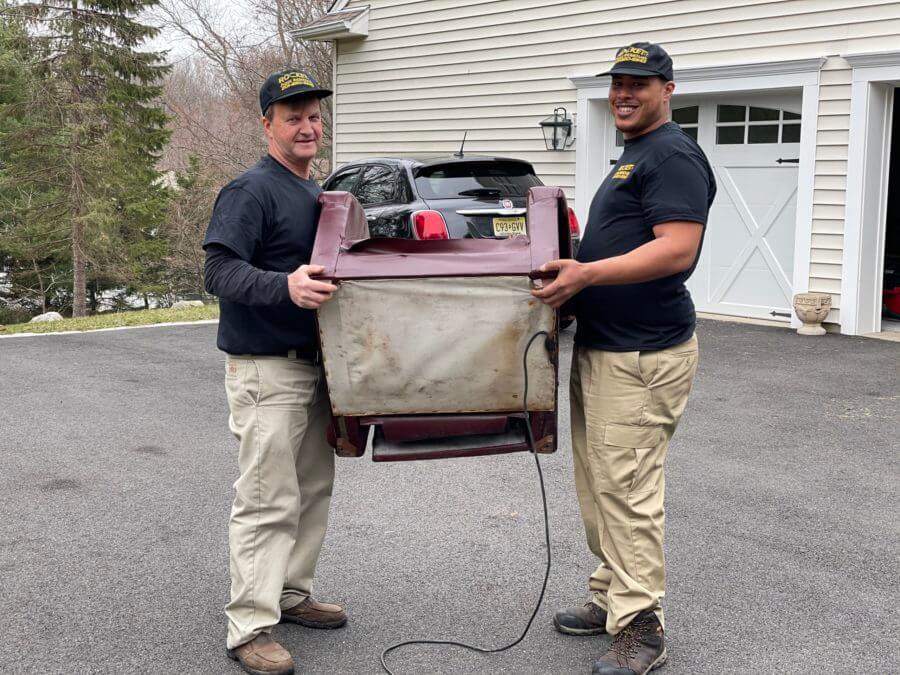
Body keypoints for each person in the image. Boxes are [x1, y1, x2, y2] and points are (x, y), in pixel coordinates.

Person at [532, 43, 716, 675]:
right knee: (599, 486)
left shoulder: (672, 155)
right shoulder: (635, 155)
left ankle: (643, 629)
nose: (623, 95)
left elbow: (676, 251)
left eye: (638, 84)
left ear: (668, 88)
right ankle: (613, 597)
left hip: (642, 356)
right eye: (616, 84)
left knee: (628, 489)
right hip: (607, 349)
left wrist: (586, 275)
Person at [203, 69, 345, 675]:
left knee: (311, 490)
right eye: (293, 118)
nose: (308, 126)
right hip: (266, 370)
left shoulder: (317, 194)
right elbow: (217, 273)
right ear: (268, 125)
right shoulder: (250, 191)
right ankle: (249, 625)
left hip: (318, 369)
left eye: (314, 116)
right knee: (266, 499)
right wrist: (283, 285)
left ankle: (289, 592)